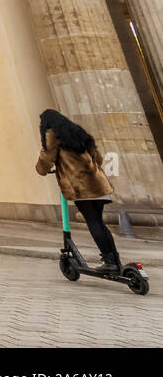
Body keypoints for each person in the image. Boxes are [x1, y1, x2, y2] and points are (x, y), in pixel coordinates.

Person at [36, 108, 121, 274]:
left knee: (93, 222)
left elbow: (47, 157)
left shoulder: (53, 134)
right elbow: (99, 158)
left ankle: (109, 261)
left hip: (81, 187)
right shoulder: (79, 132)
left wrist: (42, 170)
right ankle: (115, 260)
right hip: (99, 184)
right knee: (99, 223)